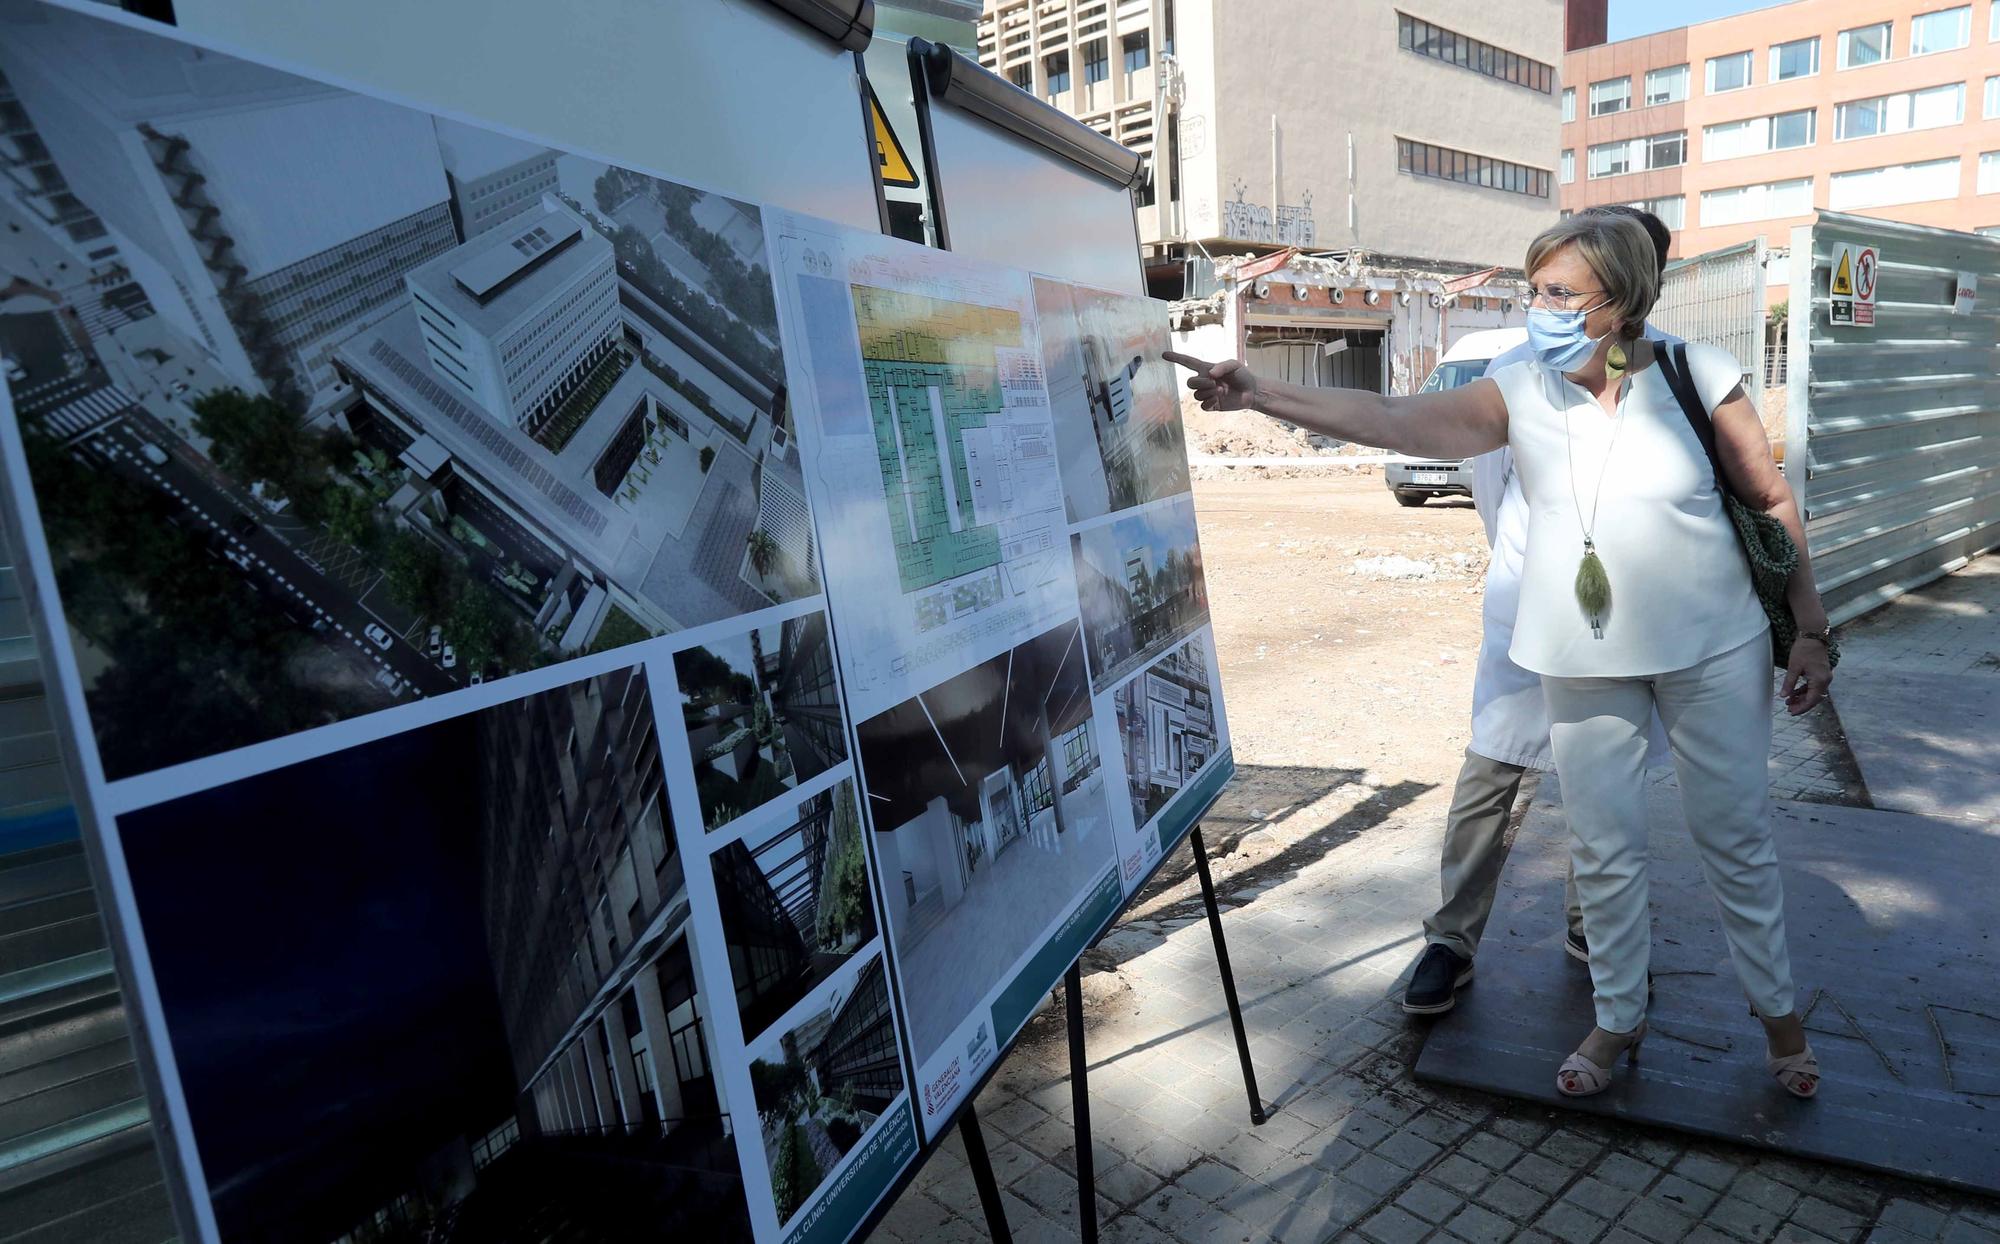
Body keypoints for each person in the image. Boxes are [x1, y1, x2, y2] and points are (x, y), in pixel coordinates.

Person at [1166, 212, 1834, 1100]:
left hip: (1715, 648)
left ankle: (1780, 1020)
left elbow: (1771, 499)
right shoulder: (1517, 387)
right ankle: (1617, 1018)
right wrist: (1261, 393)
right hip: (1581, 654)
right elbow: (1391, 416)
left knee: (1735, 841)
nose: (1540, 311)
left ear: (1621, 299)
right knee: (1603, 848)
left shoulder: (1696, 373)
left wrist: (1813, 629)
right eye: (1535, 292)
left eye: (1560, 294)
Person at [1402, 206, 1679, 1018]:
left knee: (1605, 784)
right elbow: (1490, 487)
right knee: (1491, 772)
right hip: (1528, 615)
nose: (1551, 306)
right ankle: (1450, 940)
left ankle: (1591, 926)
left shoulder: (1673, 374)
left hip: (1628, 627)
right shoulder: (1522, 367)